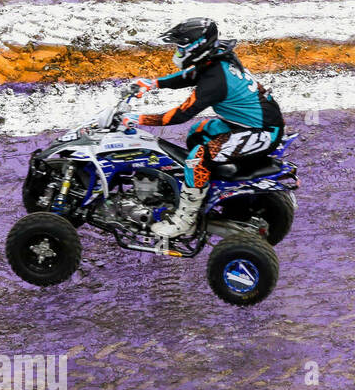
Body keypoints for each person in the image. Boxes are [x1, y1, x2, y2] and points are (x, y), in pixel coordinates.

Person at [122, 18, 286, 237]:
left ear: (197, 46)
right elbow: (191, 75)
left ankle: (185, 219)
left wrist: (138, 119)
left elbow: (180, 115)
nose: (178, 51)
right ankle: (201, 186)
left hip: (262, 133)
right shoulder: (216, 58)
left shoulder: (216, 80)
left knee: (198, 158)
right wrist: (154, 84)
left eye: (182, 47)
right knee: (198, 133)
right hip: (245, 124)